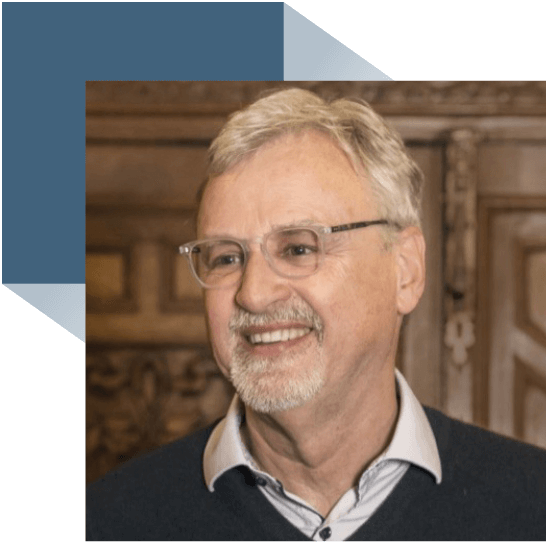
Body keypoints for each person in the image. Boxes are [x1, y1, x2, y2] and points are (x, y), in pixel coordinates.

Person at [85, 88, 546, 542]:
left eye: (299, 248)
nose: (254, 294)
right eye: (227, 257)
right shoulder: (109, 521)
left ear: (405, 271)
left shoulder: (533, 506)